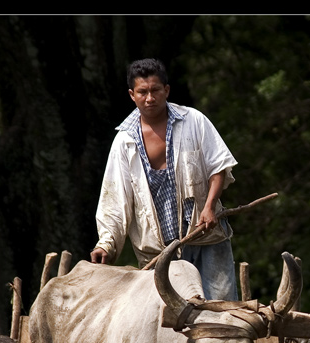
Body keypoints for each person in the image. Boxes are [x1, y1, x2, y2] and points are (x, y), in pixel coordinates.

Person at [90, 58, 239, 301]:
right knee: (168, 324)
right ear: (132, 95)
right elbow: (115, 201)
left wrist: (210, 206)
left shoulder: (194, 121)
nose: (150, 98)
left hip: (206, 240)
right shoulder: (124, 142)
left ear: (166, 90)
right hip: (158, 253)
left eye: (155, 90)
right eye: (142, 92)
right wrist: (106, 244)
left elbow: (218, 167)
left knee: (220, 311)